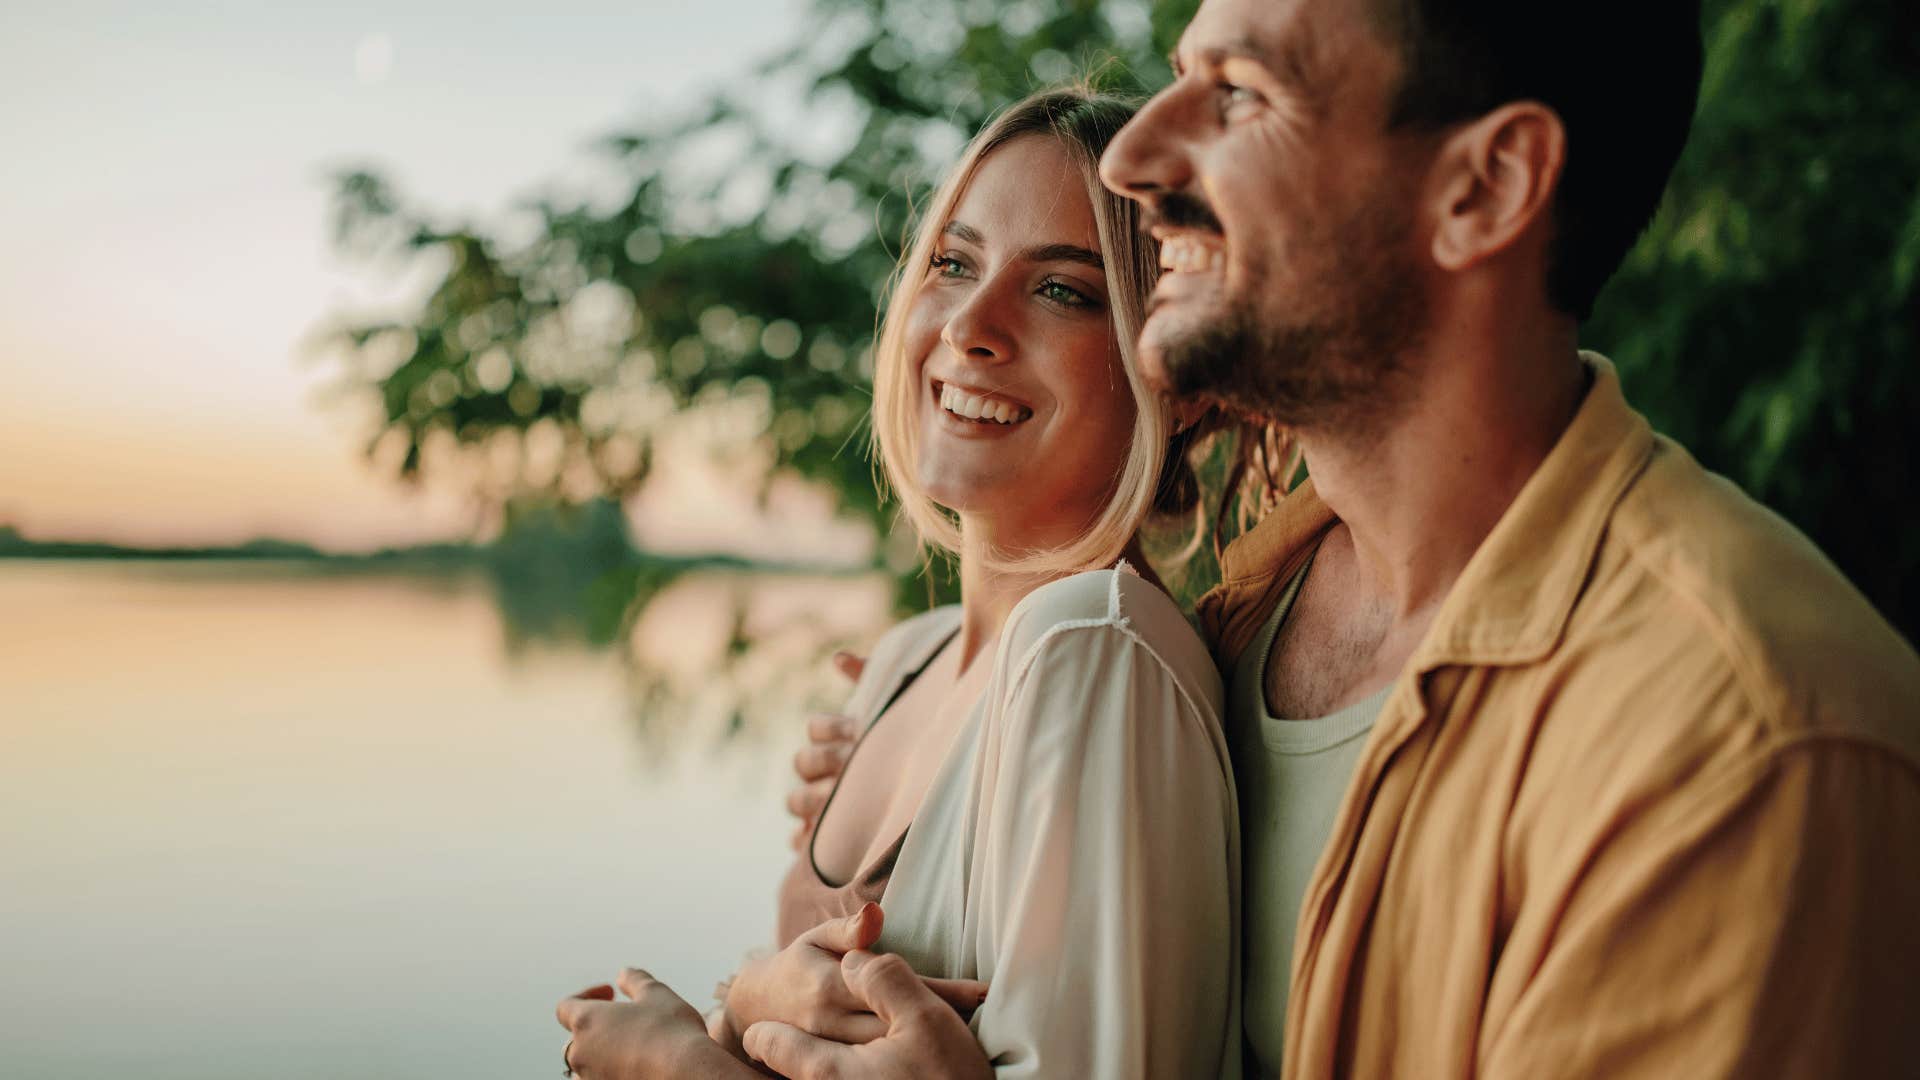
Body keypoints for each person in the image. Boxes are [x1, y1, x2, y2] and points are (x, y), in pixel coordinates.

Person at [763, 1, 1920, 1078]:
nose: (1132, 160)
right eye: (1178, 79)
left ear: (1488, 185)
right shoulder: (1228, 621)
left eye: (1243, 96)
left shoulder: (1738, 746)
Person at [556, 86, 1243, 1079]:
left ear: (1168, 372)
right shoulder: (903, 662)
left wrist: (689, 1063)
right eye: (954, 263)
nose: (971, 323)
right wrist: (745, 1001)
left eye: (1062, 291)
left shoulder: (1093, 658)